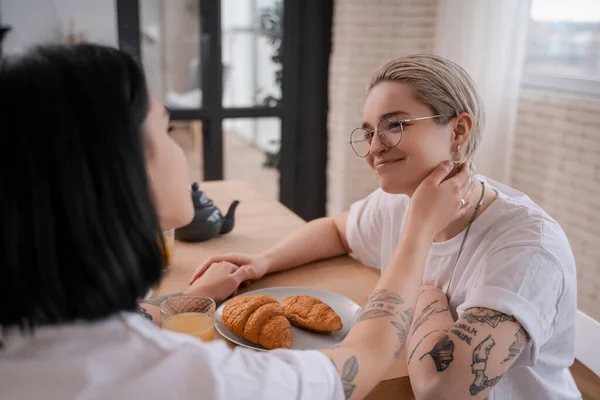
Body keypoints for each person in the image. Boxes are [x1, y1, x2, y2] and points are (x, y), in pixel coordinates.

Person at [0, 44, 472, 400]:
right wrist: (421, 230)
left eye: (393, 125)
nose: (180, 150)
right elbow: (363, 362)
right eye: (165, 130)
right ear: (118, 171)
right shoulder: (187, 380)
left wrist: (194, 298)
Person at [191, 55, 582, 399]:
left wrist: (423, 295)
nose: (375, 146)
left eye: (393, 125)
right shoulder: (400, 201)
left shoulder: (527, 248)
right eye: (367, 131)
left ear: (459, 131)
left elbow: (441, 390)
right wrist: (263, 262)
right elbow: (337, 231)